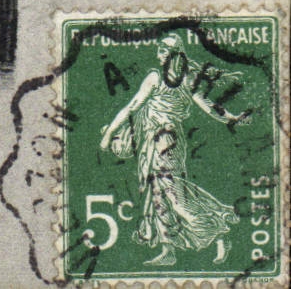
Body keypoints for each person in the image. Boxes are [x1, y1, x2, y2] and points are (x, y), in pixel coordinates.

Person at [99, 33, 248, 265]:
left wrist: (232, 119)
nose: (158, 55)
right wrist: (110, 133)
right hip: (150, 140)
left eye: (163, 51)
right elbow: (133, 106)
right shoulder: (155, 77)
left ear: (174, 55)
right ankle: (168, 251)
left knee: (175, 197)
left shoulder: (185, 80)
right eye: (159, 51)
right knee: (156, 194)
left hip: (168, 143)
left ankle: (219, 232)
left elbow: (209, 107)